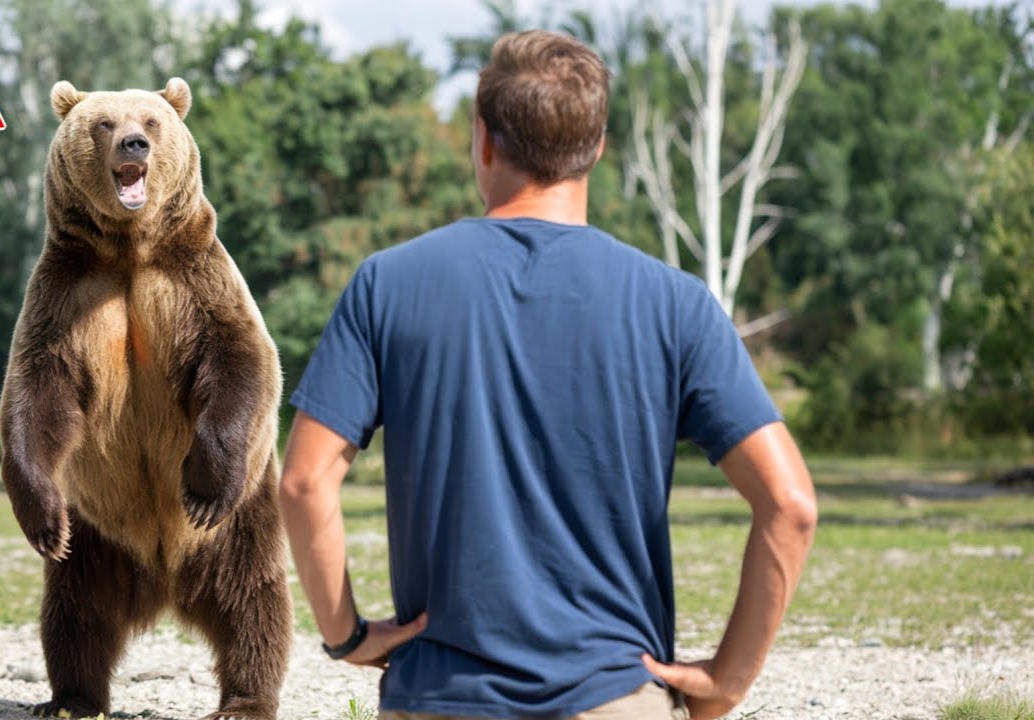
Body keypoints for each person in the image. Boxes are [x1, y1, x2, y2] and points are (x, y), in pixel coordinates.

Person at [278, 29, 817, 720]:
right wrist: (728, 679)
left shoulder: (388, 284)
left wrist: (344, 633)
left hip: (439, 697)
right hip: (615, 695)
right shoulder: (676, 303)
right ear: (596, 147)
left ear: (483, 140)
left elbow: (302, 481)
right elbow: (791, 505)